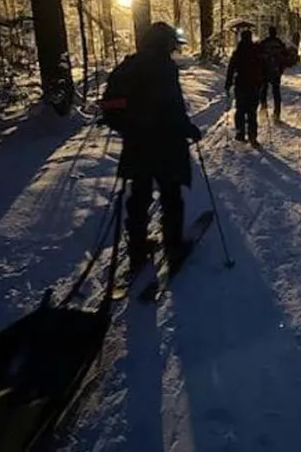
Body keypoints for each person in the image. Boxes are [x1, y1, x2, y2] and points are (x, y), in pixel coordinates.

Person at [107, 22, 202, 274]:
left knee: (139, 196)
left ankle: (138, 248)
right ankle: (174, 248)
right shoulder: (164, 68)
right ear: (165, 43)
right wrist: (188, 129)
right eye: (172, 44)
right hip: (165, 145)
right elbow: (173, 108)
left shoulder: (129, 65)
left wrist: (129, 128)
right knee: (171, 197)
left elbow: (112, 106)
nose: (174, 49)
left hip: (136, 145)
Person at [225, 29, 264, 145]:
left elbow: (231, 69)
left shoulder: (238, 52)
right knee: (252, 111)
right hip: (254, 85)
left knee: (240, 110)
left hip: (241, 85)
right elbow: (262, 67)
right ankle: (252, 136)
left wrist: (228, 83)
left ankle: (240, 133)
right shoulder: (256, 51)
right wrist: (263, 81)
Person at [258, 26, 287, 121]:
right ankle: (276, 114)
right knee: (276, 93)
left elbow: (258, 56)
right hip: (276, 72)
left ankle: (263, 110)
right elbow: (285, 56)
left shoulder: (264, 43)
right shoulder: (279, 43)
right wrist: (281, 68)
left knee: (263, 91)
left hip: (265, 71)